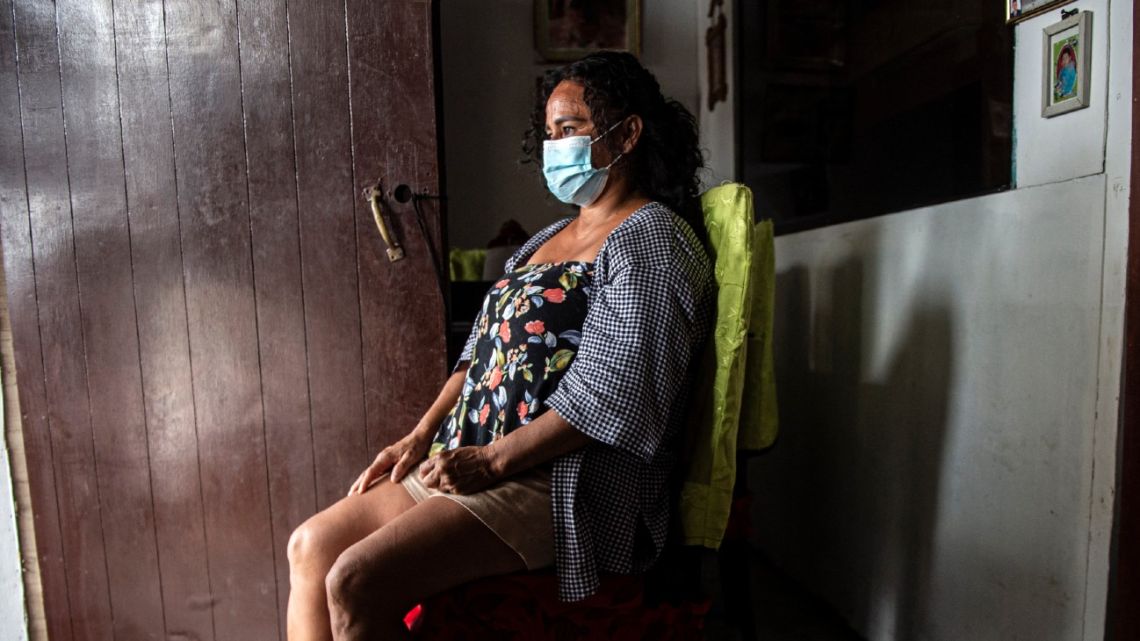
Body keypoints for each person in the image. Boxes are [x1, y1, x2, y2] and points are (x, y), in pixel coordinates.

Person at [286, 51, 715, 641]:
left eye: (569, 130)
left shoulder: (651, 237)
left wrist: (491, 461)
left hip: (556, 478)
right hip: (472, 451)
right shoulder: (546, 238)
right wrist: (419, 435)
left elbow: (615, 395)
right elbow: (479, 353)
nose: (554, 147)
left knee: (355, 579)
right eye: (548, 134)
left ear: (629, 134)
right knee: (310, 548)